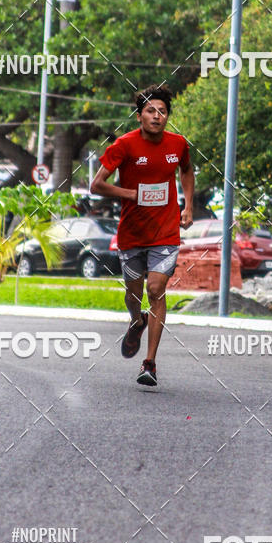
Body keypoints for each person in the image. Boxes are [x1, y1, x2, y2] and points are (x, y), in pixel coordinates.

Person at [91, 84, 194, 386]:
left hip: (165, 230)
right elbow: (97, 185)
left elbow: (187, 170)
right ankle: (137, 320)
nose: (157, 116)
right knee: (134, 293)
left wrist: (188, 206)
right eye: (151, 111)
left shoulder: (178, 144)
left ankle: (149, 364)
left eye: (162, 112)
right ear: (139, 116)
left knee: (156, 288)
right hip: (132, 232)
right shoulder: (124, 145)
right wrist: (130, 194)